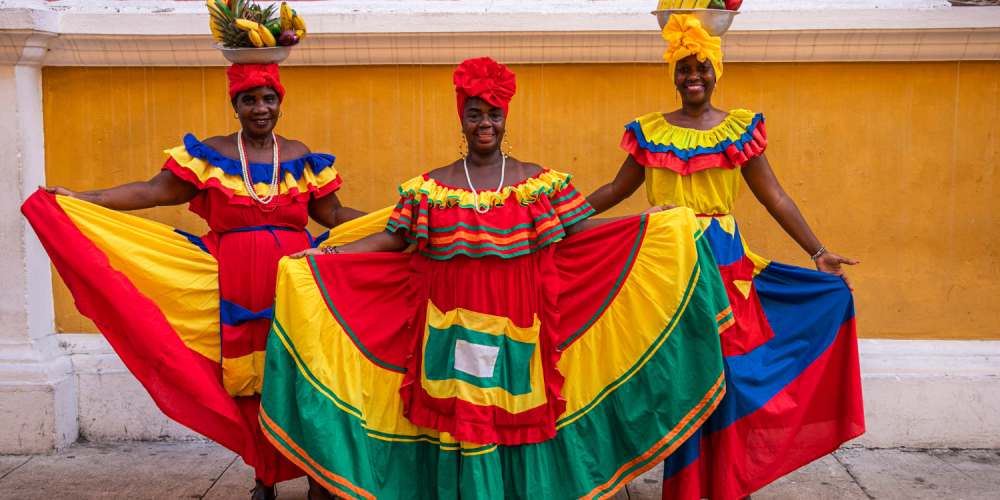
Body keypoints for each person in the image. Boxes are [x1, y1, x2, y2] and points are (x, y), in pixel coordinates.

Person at [259, 57, 732, 500]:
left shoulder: (538, 182)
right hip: (448, 320)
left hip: (518, 316)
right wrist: (327, 255)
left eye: (494, 114)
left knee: (514, 408)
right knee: (463, 413)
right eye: (475, 114)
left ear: (506, 117)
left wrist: (649, 221)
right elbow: (391, 240)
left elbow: (581, 228)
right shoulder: (431, 186)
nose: (485, 123)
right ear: (461, 119)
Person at [22, 63, 365, 500]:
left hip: (298, 285)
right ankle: (266, 474)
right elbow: (152, 191)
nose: (261, 108)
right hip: (234, 285)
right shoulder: (213, 155)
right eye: (249, 100)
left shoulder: (299, 154)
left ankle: (320, 478)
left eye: (269, 99)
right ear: (235, 105)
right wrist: (86, 198)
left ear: (280, 102)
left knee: (307, 376)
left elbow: (332, 215)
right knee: (251, 384)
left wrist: (394, 221)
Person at [585, 14, 866, 500]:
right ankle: (687, 484)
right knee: (681, 369)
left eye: (702, 67)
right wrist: (557, 219)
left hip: (722, 261)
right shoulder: (651, 132)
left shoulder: (739, 130)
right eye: (684, 68)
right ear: (673, 75)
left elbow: (774, 196)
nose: (693, 76)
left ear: (717, 72)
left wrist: (818, 252)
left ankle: (722, 479)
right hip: (666, 262)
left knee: (728, 368)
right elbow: (615, 190)